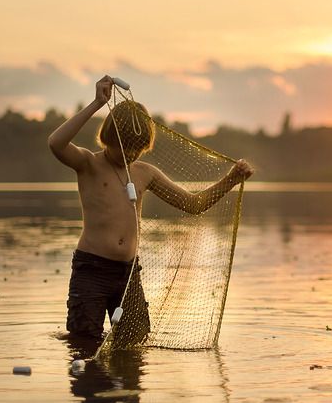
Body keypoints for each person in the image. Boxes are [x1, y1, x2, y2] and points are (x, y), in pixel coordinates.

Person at [48, 75, 253, 342]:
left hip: (128, 274)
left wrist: (231, 180)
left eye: (137, 150)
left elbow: (194, 204)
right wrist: (97, 103)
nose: (130, 155)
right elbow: (56, 143)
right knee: (84, 341)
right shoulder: (88, 164)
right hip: (92, 271)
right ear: (109, 137)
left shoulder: (145, 174)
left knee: (135, 343)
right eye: (125, 147)